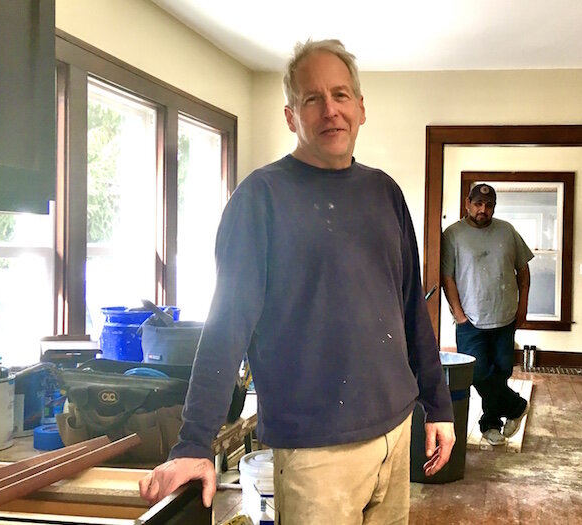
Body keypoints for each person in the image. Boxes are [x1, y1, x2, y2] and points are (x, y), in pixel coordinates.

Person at [139, 39, 455, 524]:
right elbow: (226, 328)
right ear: (291, 116)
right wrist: (193, 442)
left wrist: (438, 405)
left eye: (341, 95)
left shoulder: (384, 192)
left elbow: (411, 309)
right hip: (315, 453)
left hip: (395, 433)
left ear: (361, 108)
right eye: (312, 99)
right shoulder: (260, 200)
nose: (331, 111)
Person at [440, 183, 533, 446]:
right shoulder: (453, 235)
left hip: (505, 317)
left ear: (494, 206)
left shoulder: (507, 231)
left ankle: (490, 425)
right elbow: (447, 277)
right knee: (477, 373)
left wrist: (522, 306)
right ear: (468, 203)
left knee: (500, 372)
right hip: (471, 320)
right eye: (478, 204)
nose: (483, 210)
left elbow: (523, 272)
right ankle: (516, 407)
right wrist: (459, 315)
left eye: (488, 205)